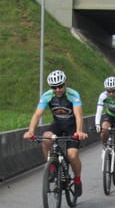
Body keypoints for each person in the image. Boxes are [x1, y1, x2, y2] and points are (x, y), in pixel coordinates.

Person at [23, 69, 88, 197]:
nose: (57, 89)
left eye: (60, 86)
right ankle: (52, 168)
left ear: (65, 84)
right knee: (46, 138)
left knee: (72, 155)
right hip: (57, 124)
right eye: (54, 87)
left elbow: (78, 115)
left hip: (72, 126)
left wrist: (79, 131)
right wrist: (30, 131)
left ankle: (77, 179)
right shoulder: (47, 95)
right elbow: (37, 114)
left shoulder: (73, 94)